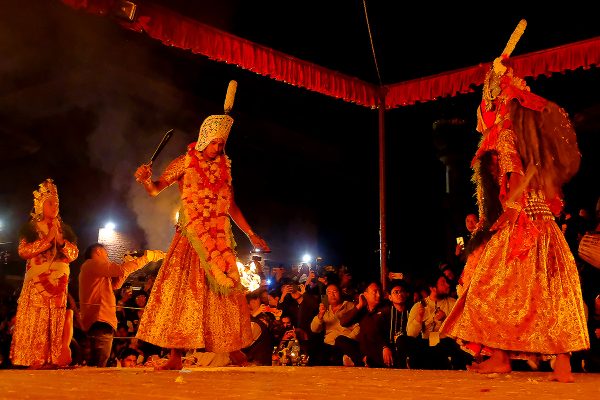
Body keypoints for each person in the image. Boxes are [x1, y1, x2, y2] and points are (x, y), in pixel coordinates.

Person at [440, 20, 589, 382]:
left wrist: (510, 211)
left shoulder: (504, 134)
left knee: (485, 281)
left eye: (487, 95)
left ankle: (502, 355)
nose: (484, 101)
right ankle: (559, 361)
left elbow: (515, 175)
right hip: (543, 223)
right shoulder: (523, 130)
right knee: (547, 288)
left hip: (520, 219)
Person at [133, 80, 270, 370]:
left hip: (220, 236)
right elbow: (157, 188)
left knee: (227, 292)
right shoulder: (185, 162)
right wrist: (146, 179)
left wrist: (251, 234)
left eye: (222, 144)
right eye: (215, 143)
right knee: (183, 294)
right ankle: (174, 357)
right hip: (189, 238)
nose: (218, 148)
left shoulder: (224, 168)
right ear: (204, 139)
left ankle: (234, 352)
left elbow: (230, 205)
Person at [10, 179, 79, 369]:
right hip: (37, 283)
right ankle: (35, 358)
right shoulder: (32, 228)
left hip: (59, 282)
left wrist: (62, 242)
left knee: (55, 318)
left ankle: (53, 358)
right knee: (37, 317)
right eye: (50, 203)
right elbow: (23, 251)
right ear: (40, 205)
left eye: (57, 203)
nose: (55, 206)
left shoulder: (63, 229)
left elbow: (74, 254)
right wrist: (47, 241)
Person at [78, 243, 164, 367]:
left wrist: (126, 265)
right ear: (98, 251)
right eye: (106, 254)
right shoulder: (92, 263)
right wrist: (146, 258)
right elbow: (120, 270)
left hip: (100, 319)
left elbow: (116, 284)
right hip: (99, 319)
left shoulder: (94, 271)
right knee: (98, 362)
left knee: (99, 361)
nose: (107, 258)